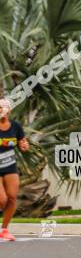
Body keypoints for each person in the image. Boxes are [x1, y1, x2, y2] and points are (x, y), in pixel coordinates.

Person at [0, 98, 28, 242]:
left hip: (10, 165)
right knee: (1, 199)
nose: (2, 109)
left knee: (11, 197)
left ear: (9, 110)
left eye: (4, 107)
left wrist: (24, 146)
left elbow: (22, 143)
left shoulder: (16, 126)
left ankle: (4, 229)